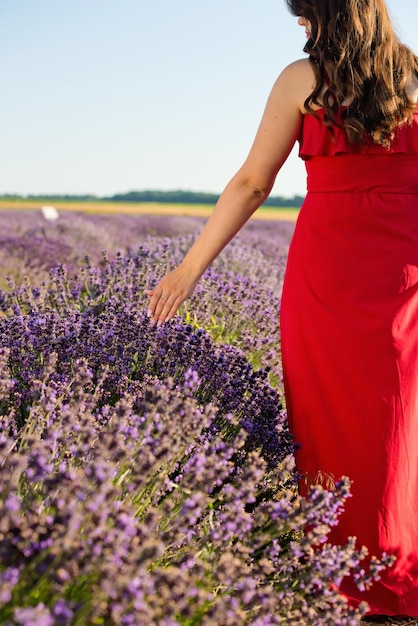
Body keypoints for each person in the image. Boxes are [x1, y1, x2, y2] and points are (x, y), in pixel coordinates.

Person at [147, 0, 418, 619]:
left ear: (327, 15)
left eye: (304, 15)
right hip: (406, 271)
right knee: (400, 420)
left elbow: (252, 182)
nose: (300, 26)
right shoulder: (416, 78)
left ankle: (333, 575)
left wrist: (190, 269)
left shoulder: (304, 78)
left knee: (326, 418)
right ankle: (397, 575)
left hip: (327, 270)